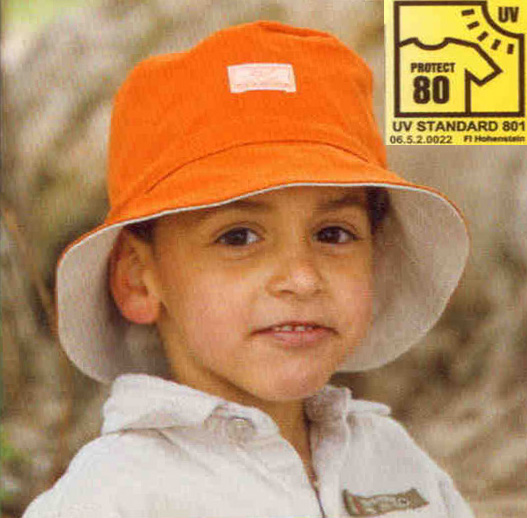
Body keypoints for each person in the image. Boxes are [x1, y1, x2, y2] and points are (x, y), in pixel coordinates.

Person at [23, 20, 473, 518]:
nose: (302, 278)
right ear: (139, 278)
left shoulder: (395, 461)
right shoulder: (115, 496)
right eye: (238, 237)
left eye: (333, 234)